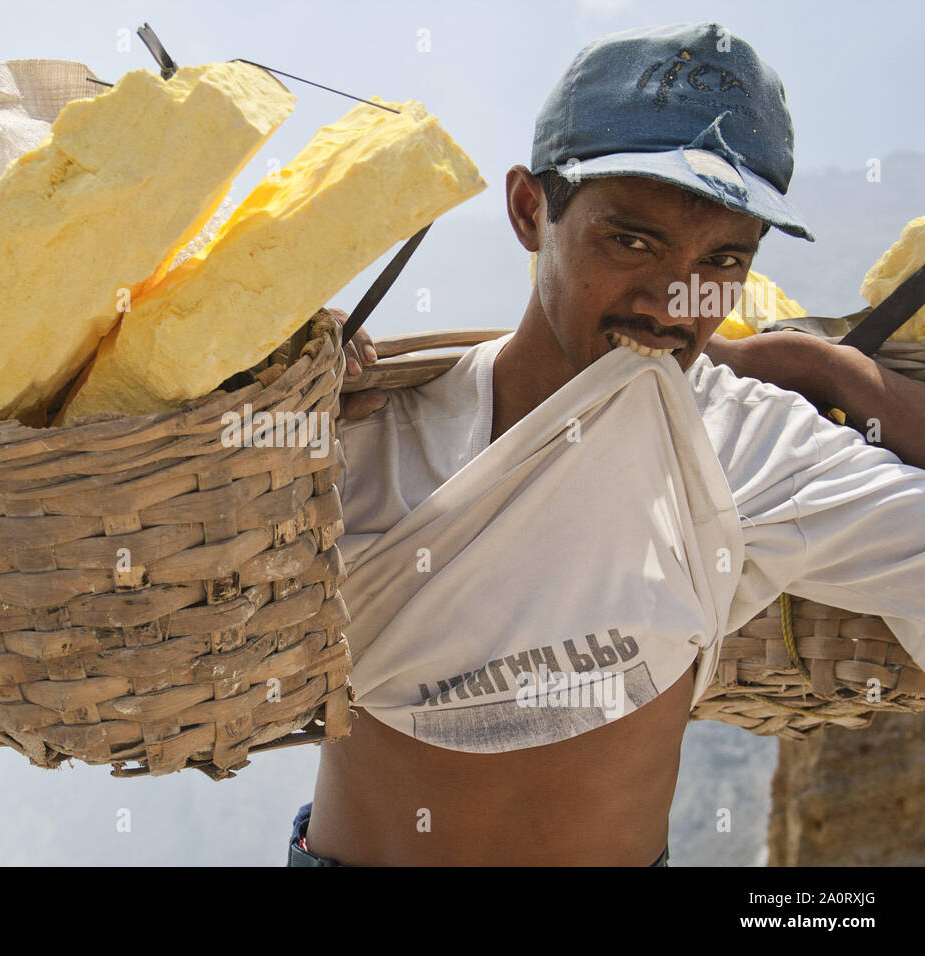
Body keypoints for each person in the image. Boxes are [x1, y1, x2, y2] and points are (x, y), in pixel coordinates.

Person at [290, 21, 925, 867]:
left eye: (723, 263)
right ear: (529, 211)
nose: (673, 304)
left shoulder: (741, 442)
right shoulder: (376, 424)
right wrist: (261, 379)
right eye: (632, 241)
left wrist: (824, 367)